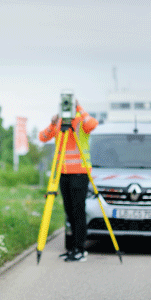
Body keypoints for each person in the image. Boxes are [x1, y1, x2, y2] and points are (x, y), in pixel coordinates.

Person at [39, 100, 98, 262]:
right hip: (63, 173)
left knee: (79, 212)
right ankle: (72, 248)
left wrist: (80, 108)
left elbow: (93, 124)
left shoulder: (81, 121)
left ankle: (80, 250)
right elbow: (42, 137)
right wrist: (52, 123)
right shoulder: (59, 123)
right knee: (69, 213)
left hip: (80, 173)